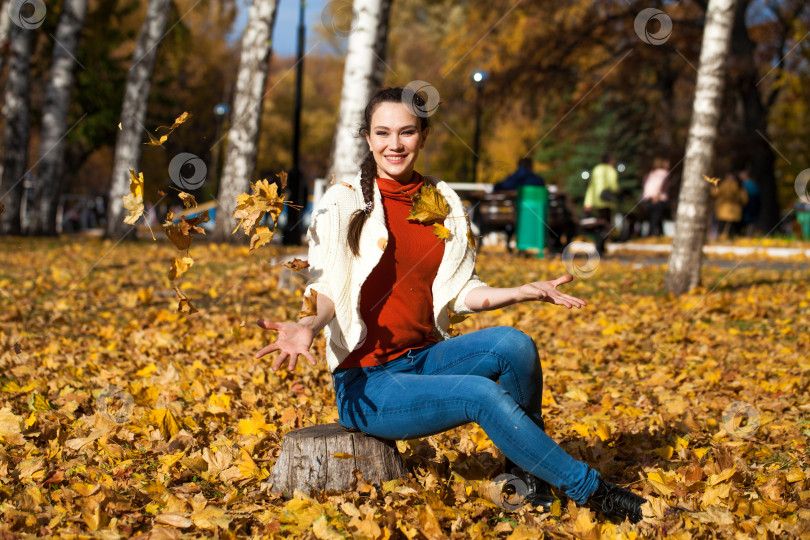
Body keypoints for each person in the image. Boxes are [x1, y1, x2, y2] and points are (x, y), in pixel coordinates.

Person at [255, 88, 647, 523]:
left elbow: (460, 291)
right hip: (368, 384)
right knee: (480, 393)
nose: (395, 144)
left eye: (407, 132)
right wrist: (308, 323)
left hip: (423, 357)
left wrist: (518, 291)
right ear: (367, 139)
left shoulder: (441, 201)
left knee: (515, 345)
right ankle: (592, 491)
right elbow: (327, 285)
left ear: (423, 135)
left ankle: (527, 479)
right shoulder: (345, 199)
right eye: (383, 133)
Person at [583, 154, 619, 256]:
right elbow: (614, 186)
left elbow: (591, 186)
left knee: (598, 224)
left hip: (596, 201)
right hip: (606, 201)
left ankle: (599, 246)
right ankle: (601, 248)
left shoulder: (596, 169)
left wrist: (588, 202)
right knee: (606, 225)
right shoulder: (611, 170)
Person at [640, 158, 669, 237]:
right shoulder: (661, 173)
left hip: (651, 197)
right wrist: (657, 195)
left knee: (656, 217)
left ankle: (657, 234)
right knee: (655, 218)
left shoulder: (652, 173)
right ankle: (652, 234)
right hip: (656, 198)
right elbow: (660, 184)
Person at [714, 172, 748, 239]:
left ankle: (721, 238)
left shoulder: (723, 185)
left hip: (723, 209)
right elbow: (744, 198)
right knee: (733, 228)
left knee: (722, 226)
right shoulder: (739, 186)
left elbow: (715, 193)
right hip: (735, 211)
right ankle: (733, 239)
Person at [738, 169, 761, 236]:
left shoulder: (743, 186)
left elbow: (741, 197)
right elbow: (758, 197)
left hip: (746, 207)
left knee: (745, 222)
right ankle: (749, 235)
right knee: (751, 222)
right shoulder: (754, 185)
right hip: (753, 206)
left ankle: (745, 235)